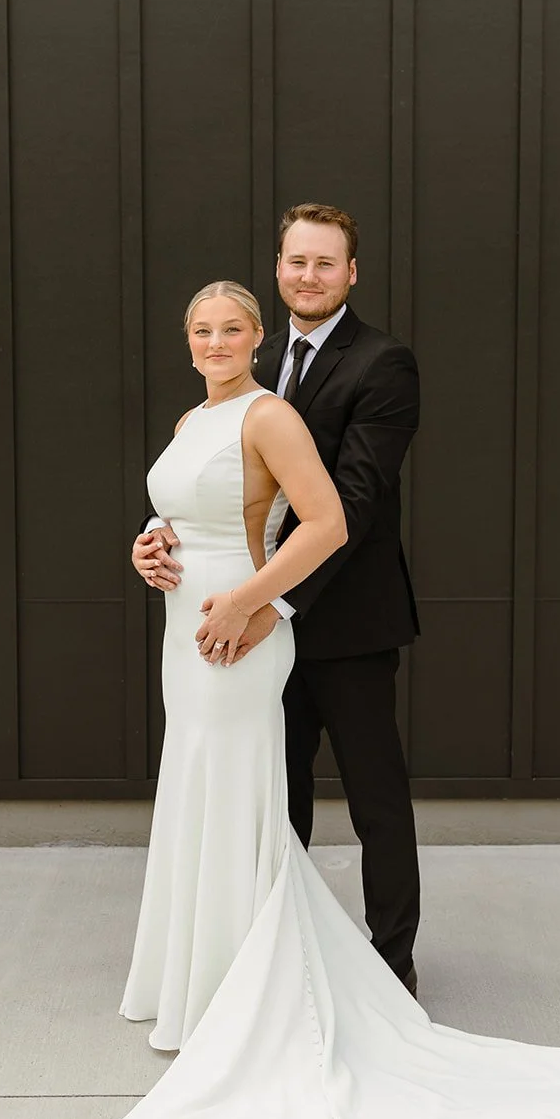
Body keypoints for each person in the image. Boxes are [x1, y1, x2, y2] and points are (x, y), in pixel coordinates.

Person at [6, 278, 560, 1119]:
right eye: (198, 330)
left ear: (255, 336)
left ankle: (241, 987)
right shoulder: (195, 418)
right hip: (185, 619)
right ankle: (192, 973)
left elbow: (325, 518)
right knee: (200, 786)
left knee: (243, 790)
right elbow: (179, 505)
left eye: (229, 326)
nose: (213, 340)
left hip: (238, 625)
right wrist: (150, 549)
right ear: (186, 345)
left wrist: (255, 596)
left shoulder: (269, 412)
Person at [137, 203, 422, 995]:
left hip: (341, 622)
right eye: (297, 262)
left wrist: (273, 606)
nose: (309, 276)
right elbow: (219, 483)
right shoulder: (235, 380)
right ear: (278, 270)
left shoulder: (381, 364)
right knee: (271, 800)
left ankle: (390, 975)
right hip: (243, 630)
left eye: (325, 264)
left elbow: (351, 506)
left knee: (376, 806)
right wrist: (153, 536)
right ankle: (271, 961)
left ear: (350, 272)